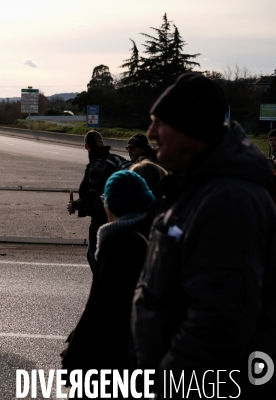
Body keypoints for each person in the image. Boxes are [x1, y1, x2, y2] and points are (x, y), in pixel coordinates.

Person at [131, 73, 276, 397]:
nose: (151, 133)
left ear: (190, 128)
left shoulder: (228, 201)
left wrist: (167, 388)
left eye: (160, 122)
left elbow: (218, 324)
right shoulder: (197, 187)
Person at [61, 170, 154, 391]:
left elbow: (99, 307)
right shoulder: (147, 234)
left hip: (112, 358)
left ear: (113, 203)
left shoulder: (121, 244)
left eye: (105, 199)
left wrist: (73, 358)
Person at [67, 130, 130, 275]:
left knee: (95, 259)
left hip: (101, 219)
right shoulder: (118, 159)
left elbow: (94, 199)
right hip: (122, 217)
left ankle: (104, 292)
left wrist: (74, 205)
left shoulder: (97, 166)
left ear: (85, 146)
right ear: (102, 142)